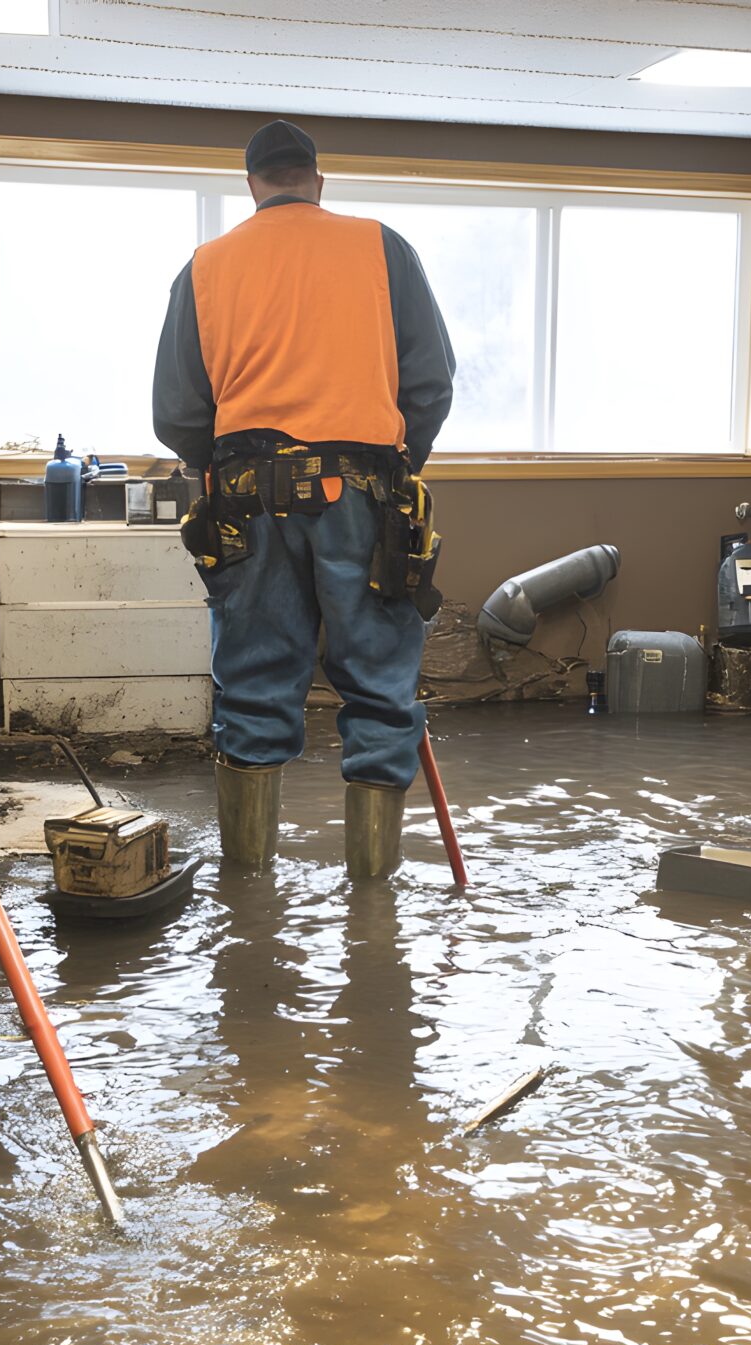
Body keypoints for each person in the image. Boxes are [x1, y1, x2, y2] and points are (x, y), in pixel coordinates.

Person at [152, 119, 455, 881]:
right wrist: (394, 468)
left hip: (249, 504)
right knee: (381, 691)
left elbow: (178, 412)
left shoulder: (205, 268)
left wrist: (219, 470)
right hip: (364, 499)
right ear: (318, 181)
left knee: (252, 688)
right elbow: (431, 385)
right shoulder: (382, 247)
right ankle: (373, 902)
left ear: (252, 186)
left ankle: (249, 902)